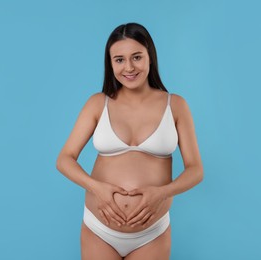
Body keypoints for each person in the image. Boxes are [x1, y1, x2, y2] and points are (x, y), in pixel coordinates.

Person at [55, 22, 203, 260]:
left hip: (152, 233)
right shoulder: (97, 103)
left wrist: (163, 193)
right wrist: (96, 188)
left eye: (136, 57)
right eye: (119, 60)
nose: (129, 67)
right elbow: (64, 159)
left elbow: (196, 170)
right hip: (98, 229)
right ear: (110, 63)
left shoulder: (175, 105)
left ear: (150, 57)